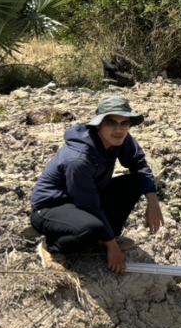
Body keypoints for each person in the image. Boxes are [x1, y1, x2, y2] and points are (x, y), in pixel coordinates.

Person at [30, 95, 163, 275]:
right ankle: (52, 247)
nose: (119, 129)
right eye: (112, 123)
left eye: (124, 123)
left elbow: (139, 164)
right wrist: (113, 247)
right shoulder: (78, 159)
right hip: (52, 208)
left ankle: (102, 240)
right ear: (99, 125)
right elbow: (89, 204)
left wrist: (153, 202)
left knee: (134, 182)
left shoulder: (120, 139)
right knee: (91, 228)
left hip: (85, 198)